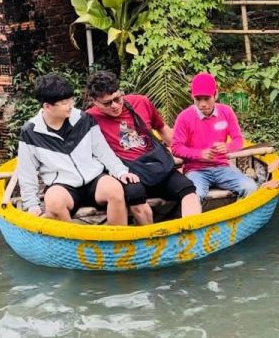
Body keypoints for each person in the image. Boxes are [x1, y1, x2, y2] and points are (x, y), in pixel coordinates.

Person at [16, 73, 139, 226]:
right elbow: (26, 172)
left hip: (94, 178)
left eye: (71, 99)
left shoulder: (83, 119)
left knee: (115, 190)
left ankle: (117, 240)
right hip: (62, 185)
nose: (71, 105)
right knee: (53, 202)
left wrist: (120, 171)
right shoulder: (30, 132)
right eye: (64, 102)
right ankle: (74, 244)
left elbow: (103, 152)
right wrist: (31, 204)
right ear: (47, 106)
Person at [84, 71, 202, 224]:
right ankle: (151, 240)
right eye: (107, 104)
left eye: (117, 99)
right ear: (95, 102)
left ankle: (192, 233)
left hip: (156, 166)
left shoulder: (140, 102)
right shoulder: (89, 118)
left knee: (188, 190)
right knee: (136, 198)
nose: (114, 106)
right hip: (128, 173)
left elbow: (164, 130)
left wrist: (191, 153)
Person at [171, 72, 257, 199]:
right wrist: (199, 154)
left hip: (222, 167)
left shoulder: (226, 111)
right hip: (195, 170)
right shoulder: (184, 117)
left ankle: (239, 217)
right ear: (192, 97)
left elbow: (238, 140)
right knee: (194, 196)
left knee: (251, 187)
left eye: (207, 98)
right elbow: (176, 148)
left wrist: (228, 147)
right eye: (198, 99)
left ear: (215, 95)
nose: (202, 104)